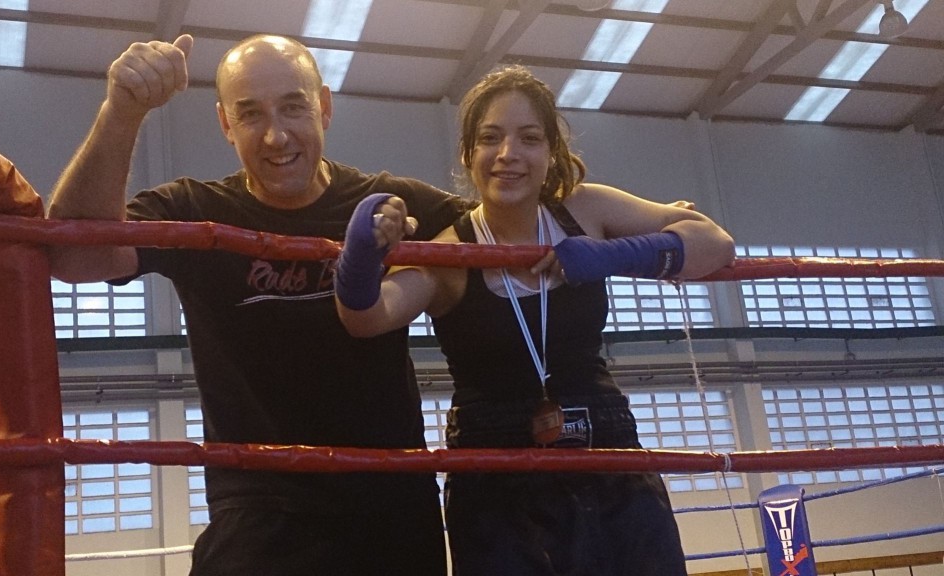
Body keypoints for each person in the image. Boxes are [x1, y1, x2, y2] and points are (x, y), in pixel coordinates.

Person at [46, 33, 474, 576]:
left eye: (293, 107)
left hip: (389, 499)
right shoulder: (197, 211)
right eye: (250, 115)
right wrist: (122, 112)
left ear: (323, 106)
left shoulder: (391, 202)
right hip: (258, 507)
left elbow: (512, 230)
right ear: (226, 124)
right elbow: (71, 257)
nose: (276, 135)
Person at [335, 65, 736, 575]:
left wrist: (612, 255)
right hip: (494, 465)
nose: (509, 155)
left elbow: (714, 243)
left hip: (604, 442)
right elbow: (366, 317)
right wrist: (362, 254)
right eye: (490, 138)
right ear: (468, 155)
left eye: (529, 138)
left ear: (550, 155)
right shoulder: (450, 256)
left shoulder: (585, 210)